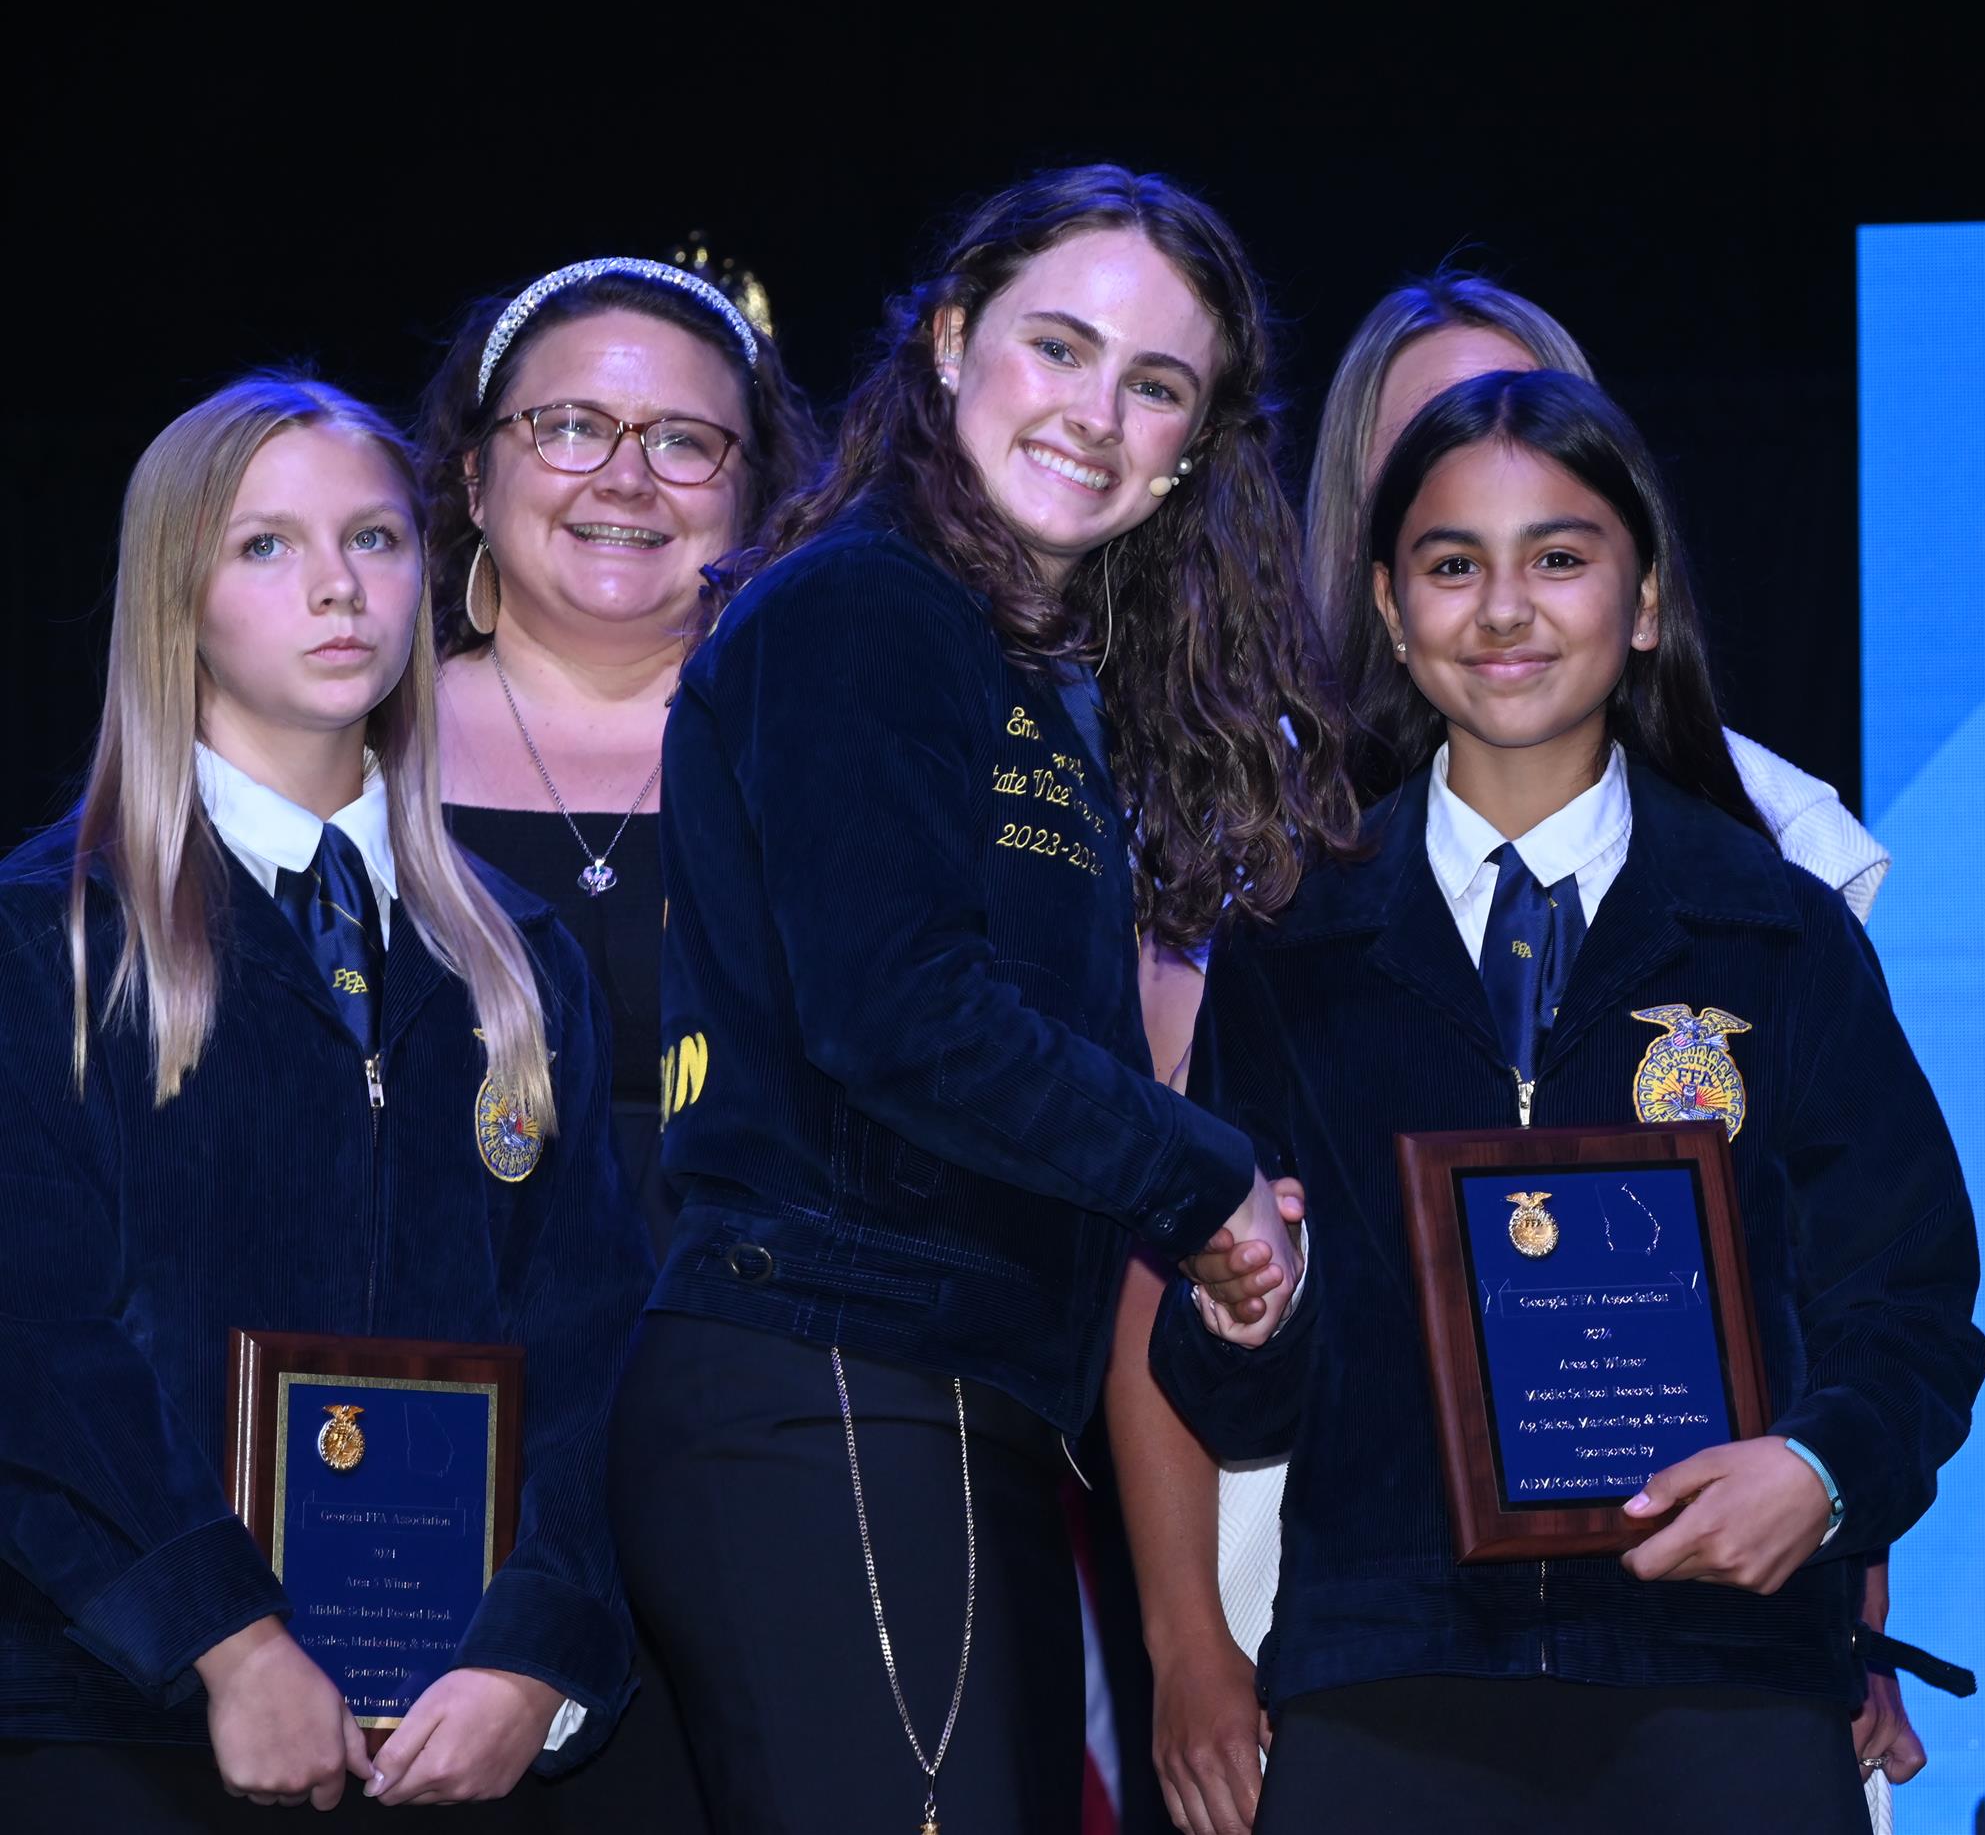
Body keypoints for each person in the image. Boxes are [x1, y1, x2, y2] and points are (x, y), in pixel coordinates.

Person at [1107, 274, 1909, 1835]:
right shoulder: (1280, 900)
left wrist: (1830, 1510)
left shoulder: (1775, 896)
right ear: (1387, 582)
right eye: (1452, 547)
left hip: (1718, 1662)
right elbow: (1198, 1321)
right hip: (1373, 1652)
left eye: (1554, 546)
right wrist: (1242, 1331)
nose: (1505, 599)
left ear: (1638, 579)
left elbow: (1875, 1289)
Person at [607, 166, 1356, 1835]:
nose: (1094, 412)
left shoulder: (1022, 661)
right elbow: (898, 1011)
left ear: (1194, 446)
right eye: (1058, 346)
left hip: (947, 1398)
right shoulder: (862, 604)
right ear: (951, 339)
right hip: (834, 1373)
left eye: (1153, 385)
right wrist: (1205, 1179)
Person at [0, 376, 652, 1826]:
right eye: (266, 546)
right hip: (112, 1717)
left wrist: (532, 1654)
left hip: (440, 1734)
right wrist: (228, 1637)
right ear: (175, 597)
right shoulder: (51, 937)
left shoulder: (521, 958)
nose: (338, 586)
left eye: (373, 537)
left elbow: (591, 1345)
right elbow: (34, 1341)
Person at [416, 255, 821, 1258]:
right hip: (410, 1332)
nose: (627, 478)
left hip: (746, 1330)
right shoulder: (352, 747)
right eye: (570, 427)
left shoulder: (831, 761)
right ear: (475, 480)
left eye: (684, 441)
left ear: (755, 498)